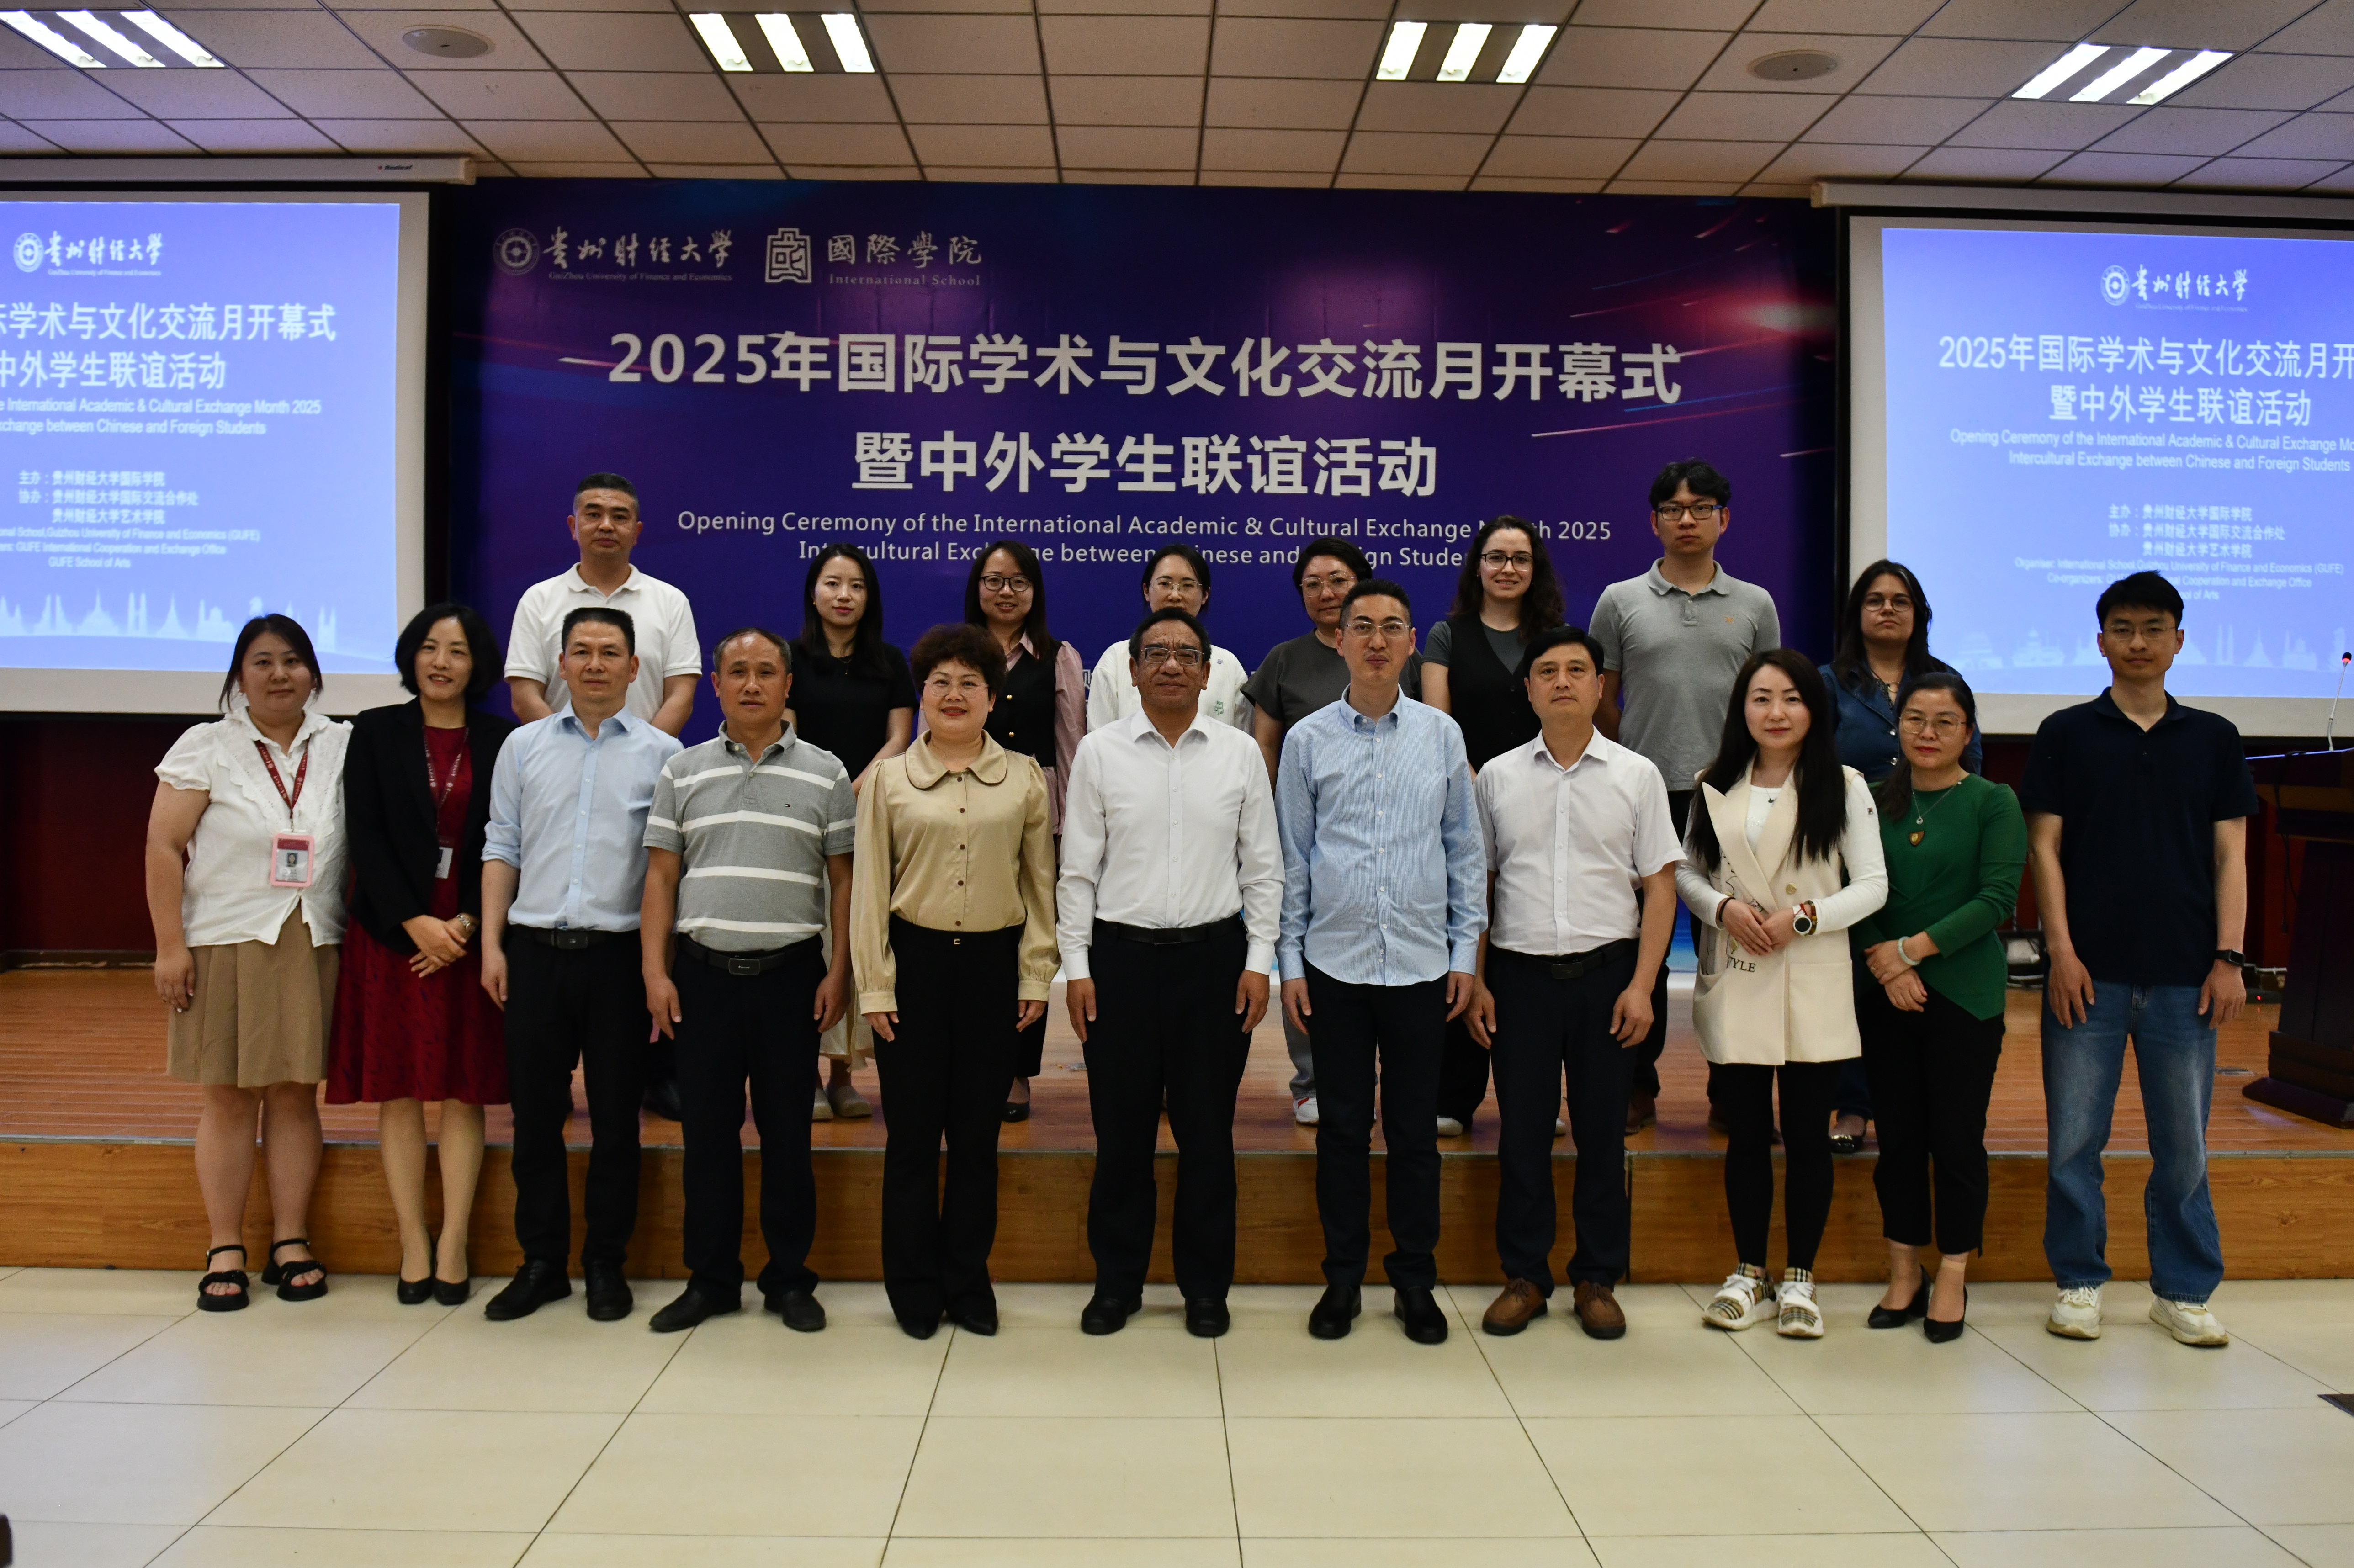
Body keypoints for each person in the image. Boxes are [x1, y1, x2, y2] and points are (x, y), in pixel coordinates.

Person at [2023, 571, 2254, 1348]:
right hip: (2087, 974)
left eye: (2154, 629)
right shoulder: (2065, 732)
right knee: (2073, 1143)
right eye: (2122, 628)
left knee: (2183, 1147)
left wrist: (2229, 957)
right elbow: (2044, 848)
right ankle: (2078, 1281)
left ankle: (2183, 1290)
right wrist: (2060, 951)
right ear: (2100, 641)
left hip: (2187, 975)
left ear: (2179, 641)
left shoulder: (2213, 738)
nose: (2138, 643)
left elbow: (2231, 856)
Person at [1060, 607, 1282, 1339]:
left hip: (1214, 964)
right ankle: (1117, 1283)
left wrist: (1258, 962)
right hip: (1119, 964)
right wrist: (1078, 968)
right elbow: (1077, 871)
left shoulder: (1239, 754)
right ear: (1132, 670)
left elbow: (1263, 869)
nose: (1171, 666)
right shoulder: (1099, 753)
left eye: (1187, 654)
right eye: (1155, 653)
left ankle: (1206, 1289)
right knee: (1121, 1135)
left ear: (1208, 671)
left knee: (1207, 1136)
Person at [1277, 579, 1483, 1347]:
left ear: (1410, 643)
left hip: (1423, 967)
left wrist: (1465, 952)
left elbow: (1465, 852)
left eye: (1391, 627)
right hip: (1333, 965)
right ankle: (1341, 1279)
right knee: (1341, 1132)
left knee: (1414, 1134)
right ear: (1339, 640)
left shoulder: (1441, 736)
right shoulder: (1307, 741)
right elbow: (1294, 859)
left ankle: (1414, 1281)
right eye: (1360, 626)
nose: (1375, 640)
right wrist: (1290, 963)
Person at [641, 627, 855, 1335]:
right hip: (701, 979)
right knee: (708, 1135)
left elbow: (844, 882)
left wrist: (840, 971)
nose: (753, 684)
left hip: (791, 979)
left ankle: (790, 1279)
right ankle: (711, 1280)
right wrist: (655, 972)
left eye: (767, 671)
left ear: (789, 684)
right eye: (738, 671)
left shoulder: (826, 773)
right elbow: (661, 878)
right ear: (716, 684)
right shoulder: (682, 771)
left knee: (788, 1135)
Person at [1469, 626, 1678, 1341]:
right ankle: (1525, 1276)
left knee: (1602, 1136)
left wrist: (1643, 986)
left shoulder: (1637, 776)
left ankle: (1597, 1277)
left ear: (1599, 686)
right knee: (1522, 1137)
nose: (1563, 681)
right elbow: (1481, 886)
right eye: (1548, 671)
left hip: (1609, 979)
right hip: (1519, 980)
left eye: (1577, 670)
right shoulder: (1497, 778)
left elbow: (1660, 887)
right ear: (1529, 690)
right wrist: (1479, 979)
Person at [852, 623, 1056, 1340]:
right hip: (915, 969)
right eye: (940, 681)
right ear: (923, 692)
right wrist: (876, 986)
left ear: (994, 697)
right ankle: (913, 1288)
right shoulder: (888, 781)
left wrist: (1037, 974)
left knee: (976, 1141)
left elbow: (1040, 886)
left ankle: (968, 1283)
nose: (954, 694)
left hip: (993, 971)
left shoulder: (1025, 778)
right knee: (912, 1140)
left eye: (971, 682)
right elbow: (870, 890)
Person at [478, 606, 681, 1323]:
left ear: (635, 668)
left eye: (610, 652)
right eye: (582, 652)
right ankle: (541, 1263)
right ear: (560, 665)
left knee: (618, 1122)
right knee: (535, 1120)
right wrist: (492, 944)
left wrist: (659, 968)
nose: (596, 664)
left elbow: (669, 873)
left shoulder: (664, 755)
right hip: (534, 953)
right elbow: (502, 845)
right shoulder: (522, 747)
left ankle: (605, 1264)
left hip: (619, 960)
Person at [1676, 651, 1886, 1339]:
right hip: (1740, 970)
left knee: (1805, 1135)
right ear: (1742, 708)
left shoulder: (1843, 785)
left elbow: (1873, 885)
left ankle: (1800, 1277)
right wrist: (1722, 909)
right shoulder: (1714, 783)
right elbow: (1687, 873)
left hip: (1809, 970)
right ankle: (1748, 1273)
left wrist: (1805, 918)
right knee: (1744, 1133)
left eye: (1791, 698)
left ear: (1813, 709)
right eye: (1762, 698)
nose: (1776, 712)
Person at [146, 614, 349, 1310]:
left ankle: (291, 1239)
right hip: (225, 938)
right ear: (240, 676)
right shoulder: (205, 746)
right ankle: (224, 1244)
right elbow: (163, 848)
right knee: (229, 1097)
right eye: (262, 662)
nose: (279, 675)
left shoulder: (343, 745)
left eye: (293, 661)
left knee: (295, 1093)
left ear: (313, 674)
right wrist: (169, 946)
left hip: (314, 938)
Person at [329, 603, 514, 1306]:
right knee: (400, 1092)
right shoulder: (375, 731)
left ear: (477, 665)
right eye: (431, 648)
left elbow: (506, 837)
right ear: (411, 656)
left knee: (466, 1093)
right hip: (393, 937)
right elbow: (366, 836)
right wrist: (415, 924)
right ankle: (413, 1240)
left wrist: (463, 925)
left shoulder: (502, 739)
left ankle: (455, 1241)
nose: (442, 662)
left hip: (470, 935)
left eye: (458, 651)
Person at [503, 471, 701, 1124]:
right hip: (558, 776)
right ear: (573, 526)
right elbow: (526, 690)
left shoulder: (668, 601)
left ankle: (655, 1071)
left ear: (638, 530)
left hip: (646, 777)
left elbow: (680, 691)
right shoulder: (540, 599)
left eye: (620, 515)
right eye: (593, 513)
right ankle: (552, 1079)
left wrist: (635, 753)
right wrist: (571, 748)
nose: (606, 525)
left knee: (651, 908)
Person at [1591, 459, 1781, 1134]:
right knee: (1634, 944)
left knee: (1731, 947)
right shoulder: (1619, 600)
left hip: (1729, 797)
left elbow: (1770, 699)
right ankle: (1634, 1087)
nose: (1688, 520)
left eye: (1702, 508)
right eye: (1674, 509)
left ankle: (1734, 1092)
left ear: (1724, 519)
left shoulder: (1755, 604)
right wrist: (1637, 758)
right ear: (1654, 522)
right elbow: (1602, 697)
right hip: (1641, 796)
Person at [1851, 672, 2025, 1343]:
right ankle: (1904, 1270)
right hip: (1883, 993)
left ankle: (1952, 1271)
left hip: (1964, 995)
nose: (1928, 733)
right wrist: (1884, 961)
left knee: (1955, 1141)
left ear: (1968, 732)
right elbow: (1848, 887)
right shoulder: (1869, 800)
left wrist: (1910, 953)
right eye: (1915, 719)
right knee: (1897, 1140)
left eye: (1945, 721)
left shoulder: (1992, 801)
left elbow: (1996, 898)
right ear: (1897, 727)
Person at [1243, 537, 1422, 1127]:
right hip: (1308, 824)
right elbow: (1265, 747)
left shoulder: (1401, 655)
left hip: (1393, 831)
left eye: (1338, 580)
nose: (1325, 592)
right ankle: (1311, 1081)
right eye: (1312, 583)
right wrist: (1269, 825)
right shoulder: (1284, 660)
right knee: (1308, 956)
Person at [1819, 560, 1983, 1154]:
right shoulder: (1829, 683)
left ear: (1919, 615)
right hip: (1849, 851)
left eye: (1900, 601)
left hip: (1932, 849)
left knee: (1926, 970)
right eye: (1875, 600)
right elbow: (1812, 771)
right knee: (1858, 980)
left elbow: (1972, 770)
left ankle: (1924, 1106)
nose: (1888, 609)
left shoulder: (1944, 681)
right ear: (1856, 614)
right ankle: (1855, 1105)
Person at [1425, 514, 1566, 1139]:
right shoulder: (1447, 636)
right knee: (1464, 943)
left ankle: (1533, 1096)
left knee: (1533, 956)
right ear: (1477, 565)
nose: (1508, 568)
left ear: (1536, 569)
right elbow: (1440, 728)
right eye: (1496, 556)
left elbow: (1566, 719)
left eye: (1520, 558)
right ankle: (1453, 1096)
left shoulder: (1553, 639)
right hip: (1465, 807)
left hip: (1544, 809)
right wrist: (1480, 785)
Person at [786, 542, 915, 1121]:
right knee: (807, 942)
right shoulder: (790, 657)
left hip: (869, 816)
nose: (844, 596)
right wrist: (827, 791)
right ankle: (807, 1074)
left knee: (853, 940)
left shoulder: (889, 661)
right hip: (801, 813)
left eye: (856, 586)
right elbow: (786, 733)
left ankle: (843, 1075)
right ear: (814, 593)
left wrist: (852, 789)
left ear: (870, 597)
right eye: (833, 584)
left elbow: (899, 739)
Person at [964, 539, 1084, 1123]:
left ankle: (1014, 1069)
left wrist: (1073, 828)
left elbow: (1071, 745)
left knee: (1027, 944)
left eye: (1018, 582)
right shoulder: (957, 652)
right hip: (964, 812)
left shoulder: (1059, 656)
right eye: (994, 580)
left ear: (1035, 591)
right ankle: (967, 1062)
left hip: (1038, 815)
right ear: (977, 588)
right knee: (969, 938)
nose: (1005, 592)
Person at [1085, 544, 1252, 731]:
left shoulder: (1229, 665)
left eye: (1188, 585)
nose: (1175, 595)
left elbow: (1241, 742)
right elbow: (1100, 740)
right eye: (1165, 584)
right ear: (1147, 591)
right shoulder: (1116, 659)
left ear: (1205, 595)